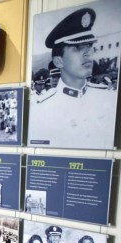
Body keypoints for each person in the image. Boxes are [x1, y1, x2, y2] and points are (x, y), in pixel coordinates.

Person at [29, 7, 117, 148]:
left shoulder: (108, 98)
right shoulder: (41, 108)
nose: (88, 53)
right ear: (59, 61)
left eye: (89, 45)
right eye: (77, 48)